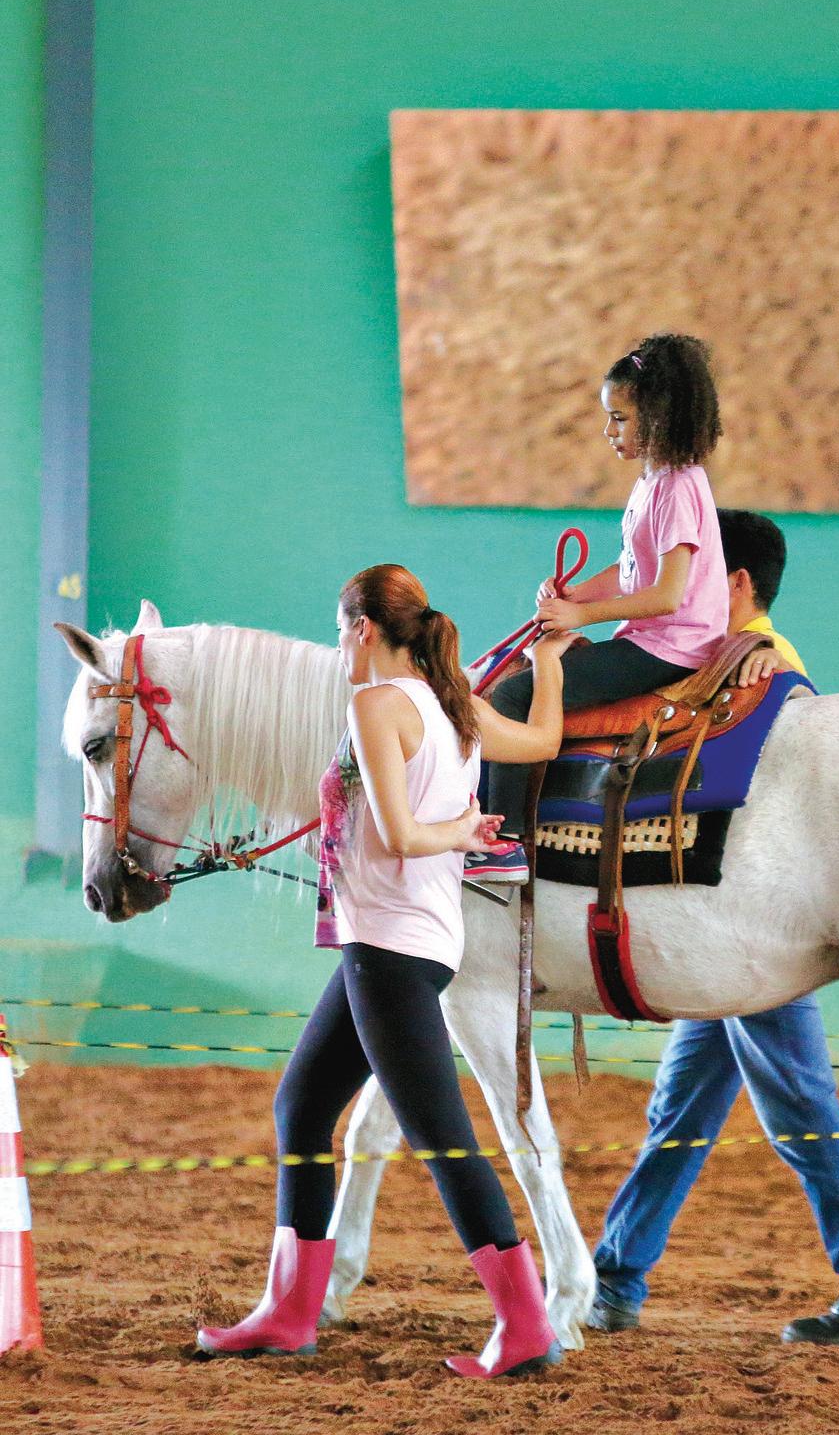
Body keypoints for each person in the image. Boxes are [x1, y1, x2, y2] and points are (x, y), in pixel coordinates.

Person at [196, 564, 576, 1378]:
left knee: (445, 1142)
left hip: (389, 948)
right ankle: (290, 1311)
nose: (338, 642)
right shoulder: (453, 704)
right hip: (408, 942)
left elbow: (402, 835)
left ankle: (527, 1327)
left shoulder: (374, 703)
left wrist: (461, 830)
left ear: (364, 626)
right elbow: (541, 741)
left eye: (340, 627)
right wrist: (549, 665)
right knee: (302, 1107)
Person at [587, 512, 839, 1349]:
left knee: (798, 1106)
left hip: (743, 927)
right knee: (683, 1113)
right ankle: (615, 1277)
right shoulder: (729, 659)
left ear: (737, 585)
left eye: (698, 577)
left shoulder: (765, 667)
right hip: (719, 928)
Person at [467, 332, 730, 883]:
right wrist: (576, 594)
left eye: (620, 418)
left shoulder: (678, 487)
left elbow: (667, 595)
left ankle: (504, 840)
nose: (608, 431)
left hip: (674, 646)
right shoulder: (655, 480)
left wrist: (580, 619)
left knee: (515, 694)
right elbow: (635, 569)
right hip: (657, 637)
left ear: (657, 418)